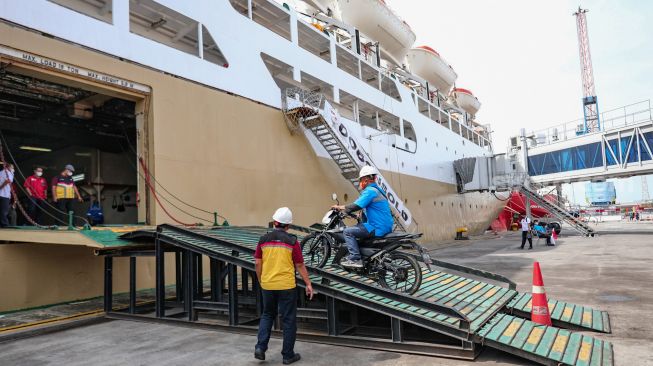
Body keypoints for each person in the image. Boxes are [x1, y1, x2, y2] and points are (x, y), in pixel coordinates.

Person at [254, 207, 314, 364]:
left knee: (267, 315)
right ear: (288, 225)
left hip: (267, 285)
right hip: (286, 286)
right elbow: (300, 265)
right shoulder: (292, 241)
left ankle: (260, 347)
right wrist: (308, 283)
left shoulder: (263, 240)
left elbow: (257, 263)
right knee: (288, 320)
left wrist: (262, 280)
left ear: (274, 222)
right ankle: (288, 356)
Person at [331, 166, 394, 268]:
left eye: (360, 180)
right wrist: (358, 215)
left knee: (347, 232)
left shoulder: (370, 191)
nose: (360, 182)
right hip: (385, 225)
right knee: (359, 226)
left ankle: (355, 258)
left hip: (377, 227)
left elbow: (356, 205)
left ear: (365, 179)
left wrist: (340, 207)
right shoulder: (379, 190)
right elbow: (372, 208)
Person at [0, 163, 14, 227]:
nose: (13, 169)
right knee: (4, 211)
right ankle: (5, 224)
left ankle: (3, 224)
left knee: (3, 211)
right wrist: (1, 187)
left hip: (4, 194)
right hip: (4, 194)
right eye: (12, 167)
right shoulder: (8, 172)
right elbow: (8, 181)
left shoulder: (1, 172)